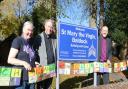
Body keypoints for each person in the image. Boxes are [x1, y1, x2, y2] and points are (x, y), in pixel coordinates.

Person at [7, 21, 36, 89]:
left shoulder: (31, 43)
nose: (30, 32)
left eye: (32, 30)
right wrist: (24, 63)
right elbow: (10, 59)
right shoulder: (17, 40)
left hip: (31, 78)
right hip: (19, 80)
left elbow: (29, 58)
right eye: (28, 30)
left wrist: (34, 63)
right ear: (23, 29)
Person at [34, 19, 56, 89]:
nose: (50, 28)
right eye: (48, 26)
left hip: (51, 67)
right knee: (40, 87)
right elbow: (34, 51)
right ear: (45, 26)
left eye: (51, 27)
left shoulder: (54, 38)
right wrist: (35, 62)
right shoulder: (38, 37)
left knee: (49, 86)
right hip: (41, 67)